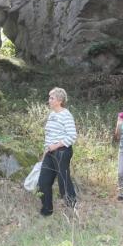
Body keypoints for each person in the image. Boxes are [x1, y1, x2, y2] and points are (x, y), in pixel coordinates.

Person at [37, 87, 78, 216]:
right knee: (43, 182)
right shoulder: (52, 115)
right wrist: (45, 151)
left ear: (59, 100)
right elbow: (49, 135)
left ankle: (71, 209)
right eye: (49, 97)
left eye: (51, 98)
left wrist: (55, 146)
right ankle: (47, 211)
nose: (49, 100)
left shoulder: (65, 115)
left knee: (63, 181)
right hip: (50, 152)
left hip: (62, 152)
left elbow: (72, 136)